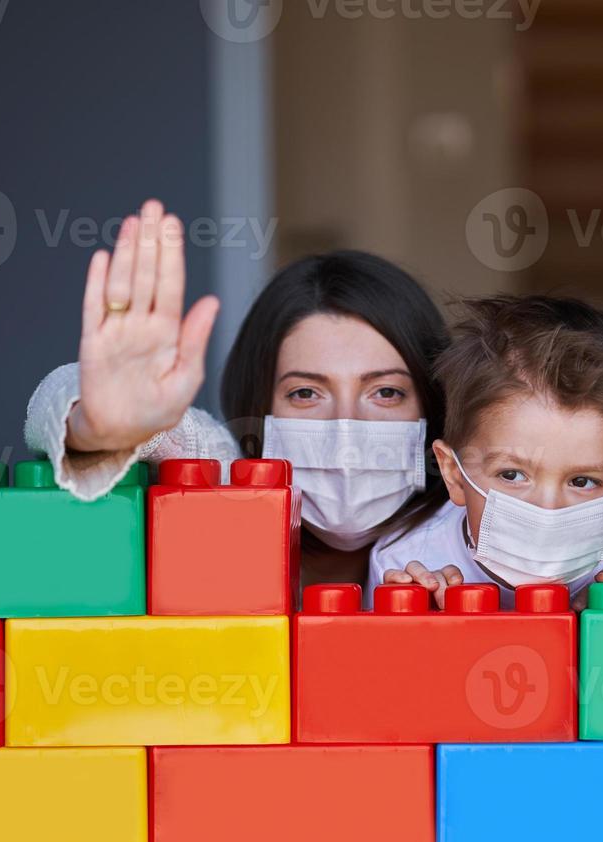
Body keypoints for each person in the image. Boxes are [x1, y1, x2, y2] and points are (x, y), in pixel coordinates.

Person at [23, 199, 449, 589]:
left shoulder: (473, 526)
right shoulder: (225, 478)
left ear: (431, 407)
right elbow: (168, 433)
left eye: (386, 392)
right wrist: (101, 425)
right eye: (305, 393)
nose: (346, 431)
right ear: (259, 406)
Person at [372, 295, 603, 609]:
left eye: (583, 481)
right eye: (512, 475)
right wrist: (420, 623)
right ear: (453, 474)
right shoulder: (405, 563)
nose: (546, 510)